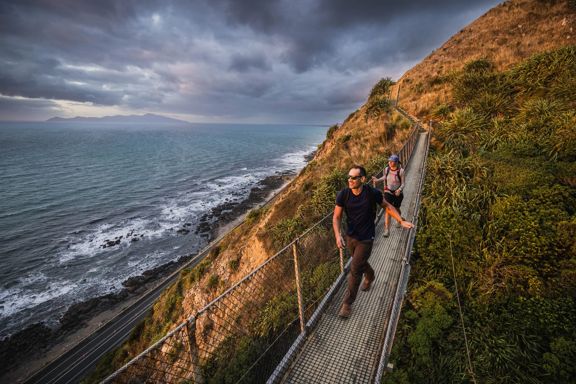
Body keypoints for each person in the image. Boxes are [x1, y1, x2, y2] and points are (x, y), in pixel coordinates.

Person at [333, 165, 413, 318]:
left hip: (366, 238)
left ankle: (347, 303)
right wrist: (338, 235)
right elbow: (336, 217)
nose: (349, 180)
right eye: (348, 177)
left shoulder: (372, 193)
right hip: (351, 237)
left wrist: (401, 221)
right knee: (359, 262)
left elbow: (387, 206)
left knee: (355, 268)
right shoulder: (343, 194)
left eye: (353, 177)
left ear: (362, 179)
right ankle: (370, 275)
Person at [371, 154, 405, 238]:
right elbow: (385, 177)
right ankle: (387, 230)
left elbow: (403, 183)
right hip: (388, 192)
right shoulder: (387, 169)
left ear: (396, 162)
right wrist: (377, 180)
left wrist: (399, 190)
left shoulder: (401, 171)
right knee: (388, 210)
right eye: (389, 161)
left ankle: (399, 219)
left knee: (396, 208)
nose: (389, 162)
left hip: (397, 193)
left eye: (391, 161)